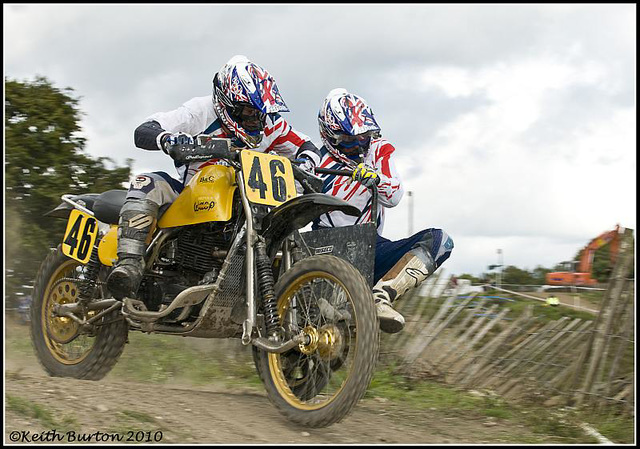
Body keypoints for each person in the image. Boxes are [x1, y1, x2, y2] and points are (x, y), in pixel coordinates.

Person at [106, 55, 320, 301]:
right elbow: (144, 130)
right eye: (248, 111)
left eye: (259, 111)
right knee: (147, 182)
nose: (255, 118)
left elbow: (306, 145)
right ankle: (129, 265)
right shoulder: (200, 111)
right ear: (227, 103)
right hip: (191, 190)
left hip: (249, 195)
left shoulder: (270, 123)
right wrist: (168, 139)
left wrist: (307, 163)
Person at [312, 88, 454, 334]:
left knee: (440, 241)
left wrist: (375, 179)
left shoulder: (378, 150)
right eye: (349, 140)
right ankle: (320, 307)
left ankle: (380, 298)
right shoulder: (313, 159)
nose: (358, 146)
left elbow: (395, 195)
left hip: (369, 247)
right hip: (325, 244)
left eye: (363, 137)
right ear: (330, 135)